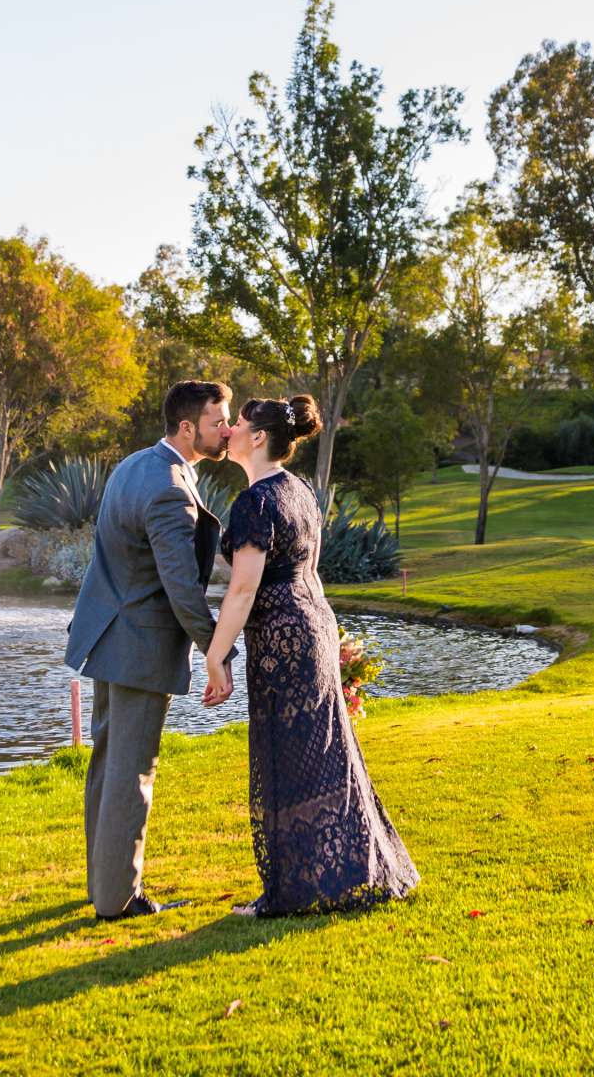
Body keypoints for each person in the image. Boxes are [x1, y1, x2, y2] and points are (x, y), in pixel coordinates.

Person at [201, 394, 418, 916]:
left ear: (257, 438)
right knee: (324, 752)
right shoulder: (297, 490)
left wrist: (214, 655)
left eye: (239, 425)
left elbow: (242, 591)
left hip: (281, 639)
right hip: (313, 624)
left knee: (287, 758)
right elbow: (312, 571)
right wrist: (329, 636)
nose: (227, 430)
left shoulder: (254, 502)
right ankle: (336, 874)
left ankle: (295, 889)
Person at [63, 379, 230, 919]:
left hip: (108, 637)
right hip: (139, 647)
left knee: (109, 763)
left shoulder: (134, 465)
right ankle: (117, 899)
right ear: (188, 428)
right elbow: (182, 587)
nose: (226, 430)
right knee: (132, 771)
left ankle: (101, 883)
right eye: (217, 422)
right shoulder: (167, 488)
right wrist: (217, 651)